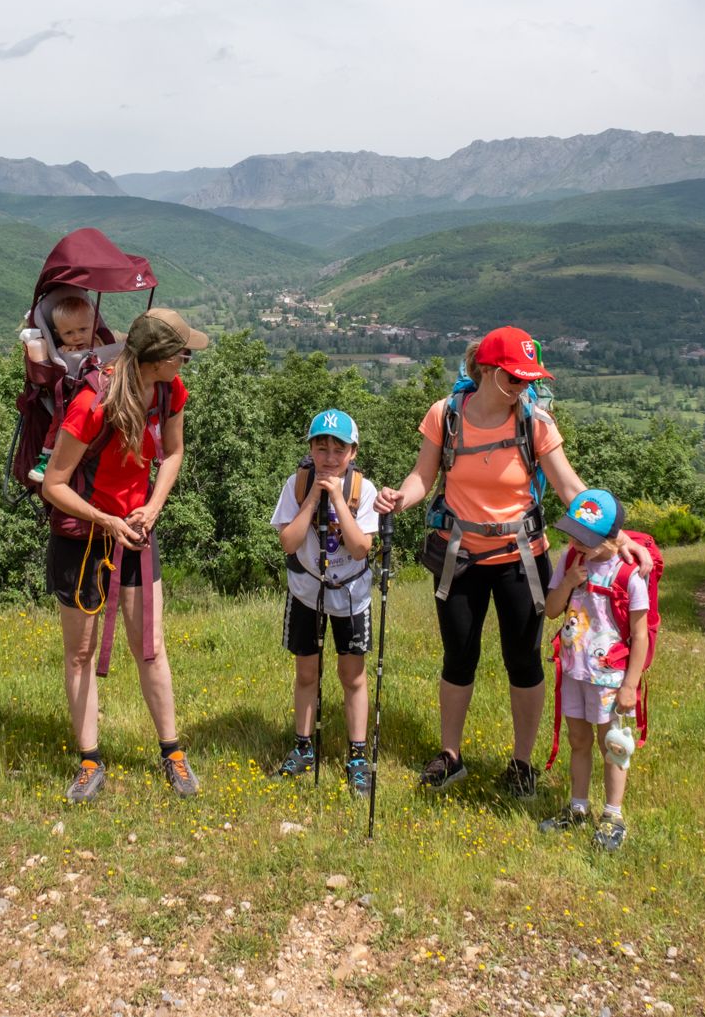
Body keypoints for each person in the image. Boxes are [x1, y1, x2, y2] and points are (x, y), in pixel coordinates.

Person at [375, 326, 652, 799]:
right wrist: (400, 499)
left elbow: (568, 486)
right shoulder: (445, 416)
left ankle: (522, 764)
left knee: (523, 661)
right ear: (485, 370)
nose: (523, 388)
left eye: (528, 380)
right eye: (514, 379)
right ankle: (451, 755)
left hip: (520, 559)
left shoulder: (534, 423)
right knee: (458, 658)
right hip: (459, 558)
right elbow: (423, 476)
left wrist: (616, 533)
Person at [39, 307, 210, 802]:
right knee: (79, 654)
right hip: (83, 539)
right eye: (182, 353)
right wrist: (107, 520)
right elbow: (54, 484)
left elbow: (173, 453)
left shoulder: (167, 390)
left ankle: (172, 753)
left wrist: (152, 508)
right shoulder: (91, 404)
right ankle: (90, 762)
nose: (187, 359)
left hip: (135, 533)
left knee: (150, 647)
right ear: (157, 358)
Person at [271, 409, 380, 793]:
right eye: (322, 447)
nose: (330, 456)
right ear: (311, 449)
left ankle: (357, 755)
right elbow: (288, 541)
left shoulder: (362, 490)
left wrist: (337, 495)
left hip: (350, 594)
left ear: (353, 451)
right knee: (306, 673)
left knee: (352, 676)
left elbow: (361, 546)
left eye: (339, 448)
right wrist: (314, 496)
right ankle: (303, 747)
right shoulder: (297, 484)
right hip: (307, 591)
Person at [538, 488, 649, 851]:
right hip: (574, 672)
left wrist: (630, 685)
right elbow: (552, 610)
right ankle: (578, 807)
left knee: (612, 745)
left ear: (612, 536)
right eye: (573, 534)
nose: (576, 542)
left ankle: (613, 815)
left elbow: (639, 633)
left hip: (609, 679)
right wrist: (569, 581)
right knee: (578, 741)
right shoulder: (571, 561)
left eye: (585, 538)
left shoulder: (628, 575)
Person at [28, 296, 106, 483]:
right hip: (72, 395)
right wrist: (66, 353)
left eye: (82, 330)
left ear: (94, 326)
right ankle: (49, 458)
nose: (77, 337)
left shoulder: (100, 341)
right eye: (68, 333)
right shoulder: (65, 348)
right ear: (58, 334)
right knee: (60, 422)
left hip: (101, 391)